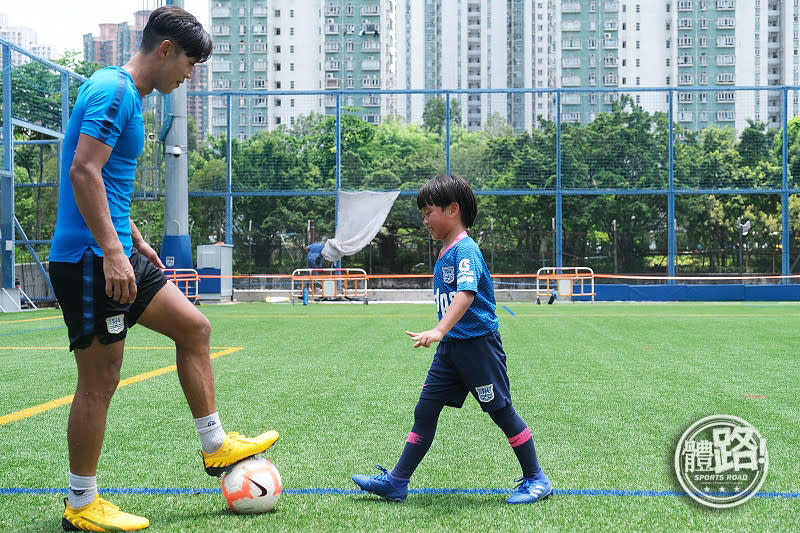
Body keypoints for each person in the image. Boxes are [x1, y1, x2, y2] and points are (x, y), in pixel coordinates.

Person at [49, 7, 278, 531]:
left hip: (116, 249)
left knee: (194, 326)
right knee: (100, 380)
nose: (189, 76)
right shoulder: (114, 90)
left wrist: (134, 242)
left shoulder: (124, 94)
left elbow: (106, 184)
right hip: (89, 260)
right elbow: (83, 171)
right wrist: (110, 250)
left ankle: (215, 445)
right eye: (191, 64)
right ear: (166, 49)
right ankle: (81, 503)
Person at [352, 174, 551, 504]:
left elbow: (467, 293)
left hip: (478, 349)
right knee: (425, 410)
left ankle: (537, 479)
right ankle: (398, 482)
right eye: (423, 214)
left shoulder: (466, 251)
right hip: (451, 352)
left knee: (501, 412)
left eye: (429, 212)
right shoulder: (447, 251)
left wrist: (439, 330)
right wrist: (444, 336)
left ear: (453, 209)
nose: (425, 220)